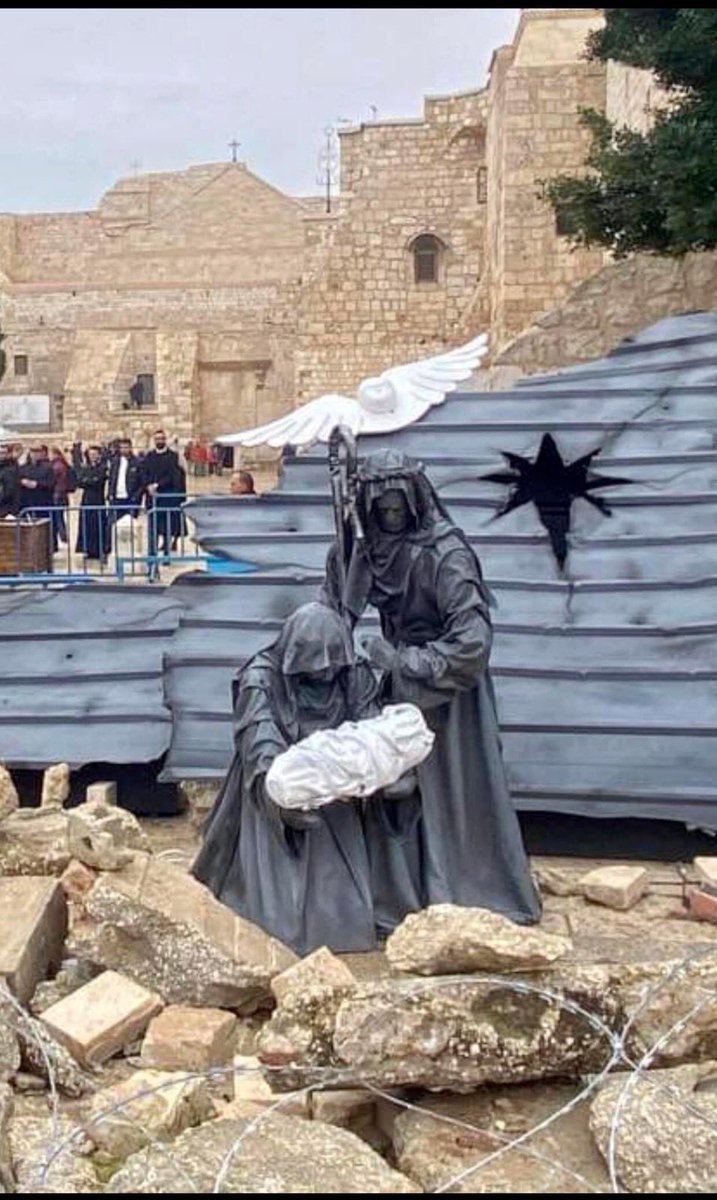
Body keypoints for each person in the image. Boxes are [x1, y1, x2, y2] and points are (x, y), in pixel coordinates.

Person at [324, 448, 541, 930]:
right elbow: (337, 609)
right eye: (379, 509)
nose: (390, 517)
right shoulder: (368, 546)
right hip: (395, 686)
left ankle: (460, 888)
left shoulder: (448, 555)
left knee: (446, 793)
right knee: (393, 793)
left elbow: (472, 645)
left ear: (416, 501)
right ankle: (400, 896)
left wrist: (402, 661)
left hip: (447, 695)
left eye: (397, 508)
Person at [192, 601, 387, 955]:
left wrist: (379, 765)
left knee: (345, 909)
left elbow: (370, 723)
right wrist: (279, 797)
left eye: (333, 665)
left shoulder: (352, 671)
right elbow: (260, 739)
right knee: (280, 911)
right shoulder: (260, 678)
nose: (327, 674)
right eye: (317, 667)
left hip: (337, 792)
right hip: (273, 792)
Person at [142, 429, 183, 558]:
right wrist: (148, 485)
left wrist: (158, 485)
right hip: (152, 497)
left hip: (166, 496)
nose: (159, 441)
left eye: (161, 439)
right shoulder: (149, 456)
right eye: (157, 439)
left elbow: (173, 475)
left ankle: (166, 554)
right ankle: (152, 555)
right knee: (153, 528)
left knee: (166, 528)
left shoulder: (172, 457)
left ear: (165, 440)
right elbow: (144, 473)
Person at [72, 443, 109, 561]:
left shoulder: (102, 467)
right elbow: (80, 481)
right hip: (86, 499)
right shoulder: (86, 468)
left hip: (97, 499)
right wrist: (86, 480)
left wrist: (87, 481)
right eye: (91, 454)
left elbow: (97, 481)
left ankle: (100, 549)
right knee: (87, 525)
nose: (93, 456)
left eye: (95, 454)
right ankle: (88, 549)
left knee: (98, 525)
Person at [18, 443, 55, 519]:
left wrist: (37, 484)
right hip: (26, 503)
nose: (35, 454)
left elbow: (51, 483)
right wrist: (23, 482)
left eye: (37, 451)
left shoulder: (48, 467)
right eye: (33, 451)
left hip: (43, 503)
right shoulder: (22, 468)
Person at [49, 446, 75, 546]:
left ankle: (63, 536)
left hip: (57, 494)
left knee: (58, 517)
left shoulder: (57, 466)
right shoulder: (64, 464)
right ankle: (63, 535)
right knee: (60, 516)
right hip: (63, 494)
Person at [0, 443, 21, 519]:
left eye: (3, 453)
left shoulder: (11, 469)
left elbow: (9, 491)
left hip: (8, 509)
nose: (1, 455)